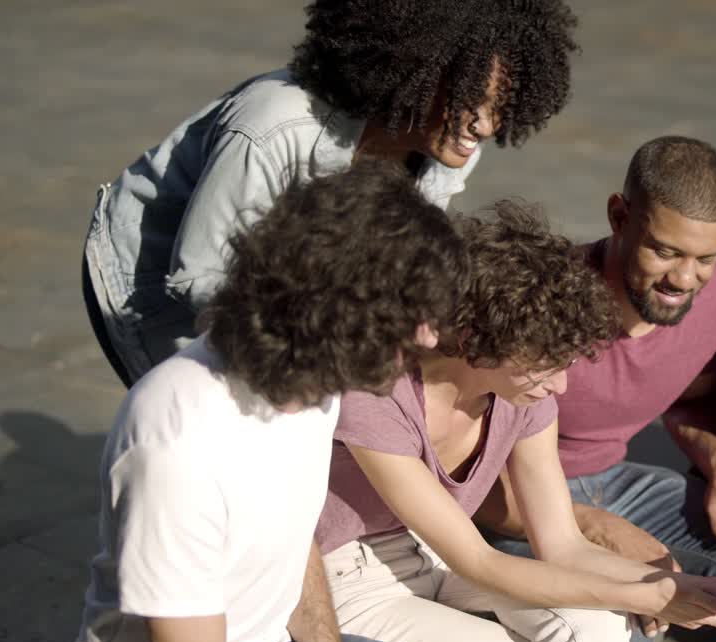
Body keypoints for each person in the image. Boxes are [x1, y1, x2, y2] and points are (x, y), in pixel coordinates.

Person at [70, 161, 540, 642]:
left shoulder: (318, 387)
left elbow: (296, 544)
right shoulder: (177, 443)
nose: (429, 337)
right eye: (412, 315)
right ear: (343, 307)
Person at [315, 199, 716, 642]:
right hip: (351, 585)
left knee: (594, 630)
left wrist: (695, 590)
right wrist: (658, 597)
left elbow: (563, 545)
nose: (561, 384)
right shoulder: (378, 393)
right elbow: (478, 561)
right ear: (483, 341)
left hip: (431, 559)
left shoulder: (525, 399)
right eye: (545, 365)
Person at [81, 0, 579, 387]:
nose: (485, 126)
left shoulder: (453, 138)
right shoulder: (274, 128)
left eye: (500, 107)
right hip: (147, 275)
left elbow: (403, 258)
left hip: (286, 272)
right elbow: (197, 278)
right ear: (413, 71)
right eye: (471, 101)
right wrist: (332, 330)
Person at [477, 136, 716, 642]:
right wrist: (599, 529)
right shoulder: (549, 302)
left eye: (705, 258)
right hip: (519, 496)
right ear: (619, 217)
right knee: (633, 598)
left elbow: (694, 402)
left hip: (618, 478)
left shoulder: (714, 296)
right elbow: (461, 476)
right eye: (665, 251)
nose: (685, 278)